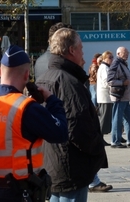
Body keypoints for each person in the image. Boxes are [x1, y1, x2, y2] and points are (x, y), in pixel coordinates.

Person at [0, 45, 69, 202]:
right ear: (27, 75)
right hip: (21, 191)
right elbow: (61, 133)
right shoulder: (27, 108)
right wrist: (51, 100)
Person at [35, 28, 110, 201]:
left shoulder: (45, 77)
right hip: (72, 165)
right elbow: (78, 127)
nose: (83, 52)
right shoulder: (69, 82)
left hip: (51, 162)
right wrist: (97, 149)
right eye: (81, 48)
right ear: (71, 50)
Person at [107, 46, 130, 148]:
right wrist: (123, 82)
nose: (127, 54)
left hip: (125, 97)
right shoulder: (116, 63)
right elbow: (110, 80)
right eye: (125, 53)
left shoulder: (122, 63)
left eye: (127, 53)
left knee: (129, 118)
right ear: (118, 54)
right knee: (118, 119)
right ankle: (115, 141)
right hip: (120, 97)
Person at [97, 51, 114, 146]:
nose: (111, 59)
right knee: (104, 118)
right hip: (105, 97)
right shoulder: (104, 68)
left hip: (106, 96)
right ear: (104, 59)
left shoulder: (106, 67)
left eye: (112, 57)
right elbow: (106, 81)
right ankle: (100, 138)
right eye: (109, 57)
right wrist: (114, 86)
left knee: (106, 118)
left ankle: (101, 137)